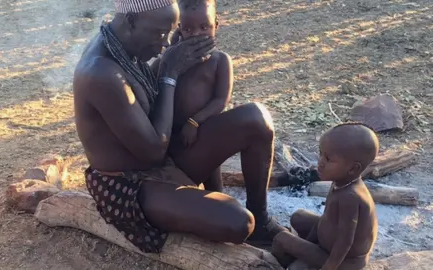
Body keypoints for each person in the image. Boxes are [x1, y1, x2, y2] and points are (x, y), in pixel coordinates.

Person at [73, 0, 286, 254]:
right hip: (131, 185)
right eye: (162, 34)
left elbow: (149, 102)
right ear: (131, 21)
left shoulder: (126, 43)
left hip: (164, 157)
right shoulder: (100, 72)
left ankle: (261, 220)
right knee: (238, 221)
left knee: (256, 118)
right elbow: (152, 152)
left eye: (171, 33)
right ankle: (246, 223)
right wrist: (169, 72)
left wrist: (172, 64)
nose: (164, 43)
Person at [271, 123, 379, 270]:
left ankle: (283, 265)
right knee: (298, 216)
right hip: (328, 243)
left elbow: (345, 242)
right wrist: (307, 245)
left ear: (353, 168)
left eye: (328, 159)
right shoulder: (341, 183)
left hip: (345, 262)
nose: (320, 162)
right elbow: (326, 219)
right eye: (321, 153)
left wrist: (328, 267)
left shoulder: (351, 197)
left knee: (281, 239)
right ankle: (300, 258)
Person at [167, 0, 232, 192]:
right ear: (179, 30)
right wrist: (172, 49)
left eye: (204, 27)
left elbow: (221, 100)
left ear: (216, 25)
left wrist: (194, 122)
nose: (196, 35)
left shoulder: (220, 61)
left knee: (213, 183)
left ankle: (219, 206)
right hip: (174, 137)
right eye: (188, 29)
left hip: (204, 133)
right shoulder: (175, 59)